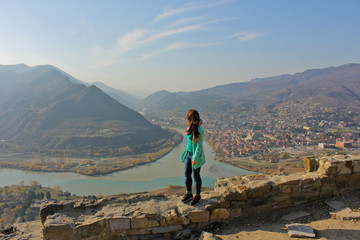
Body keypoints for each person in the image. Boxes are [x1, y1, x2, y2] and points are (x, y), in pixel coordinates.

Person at [181, 109, 205, 205]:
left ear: (191, 118)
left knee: (196, 176)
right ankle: (189, 193)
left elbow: (199, 145)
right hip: (188, 154)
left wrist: (195, 158)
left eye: (188, 118)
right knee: (187, 174)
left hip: (195, 156)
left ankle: (197, 195)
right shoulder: (191, 126)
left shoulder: (199, 129)